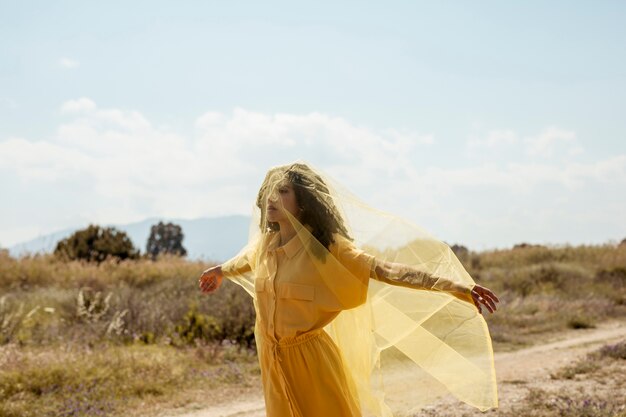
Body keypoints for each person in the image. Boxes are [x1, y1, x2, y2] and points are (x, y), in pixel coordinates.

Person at [199, 162, 499, 417]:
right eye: (269, 191)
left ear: (302, 202)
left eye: (283, 191)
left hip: (312, 361)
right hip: (272, 361)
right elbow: (244, 261)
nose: (272, 198)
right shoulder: (264, 245)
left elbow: (386, 269)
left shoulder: (328, 249)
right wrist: (221, 271)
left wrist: (456, 287)